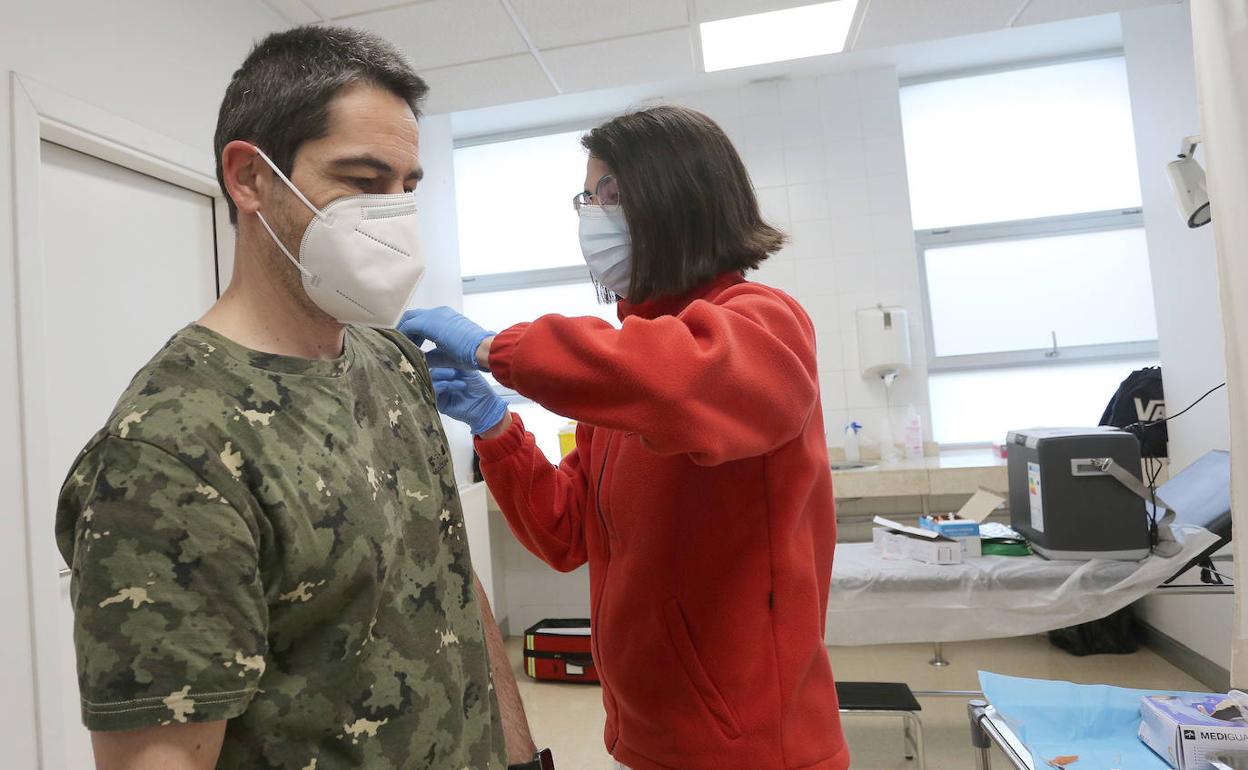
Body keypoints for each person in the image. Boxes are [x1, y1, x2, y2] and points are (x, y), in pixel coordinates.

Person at [55, 26, 550, 770]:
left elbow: (451, 582)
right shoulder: (168, 452)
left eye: (407, 187)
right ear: (250, 178)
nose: (395, 215)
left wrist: (520, 760)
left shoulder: (389, 361)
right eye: (361, 180)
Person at [402, 106, 849, 770]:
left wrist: (499, 348)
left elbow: (679, 378)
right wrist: (496, 426)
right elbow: (565, 533)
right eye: (588, 197)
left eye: (611, 195)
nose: (592, 217)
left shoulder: (760, 324)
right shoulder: (627, 374)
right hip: (645, 735)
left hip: (751, 748)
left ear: (677, 199)